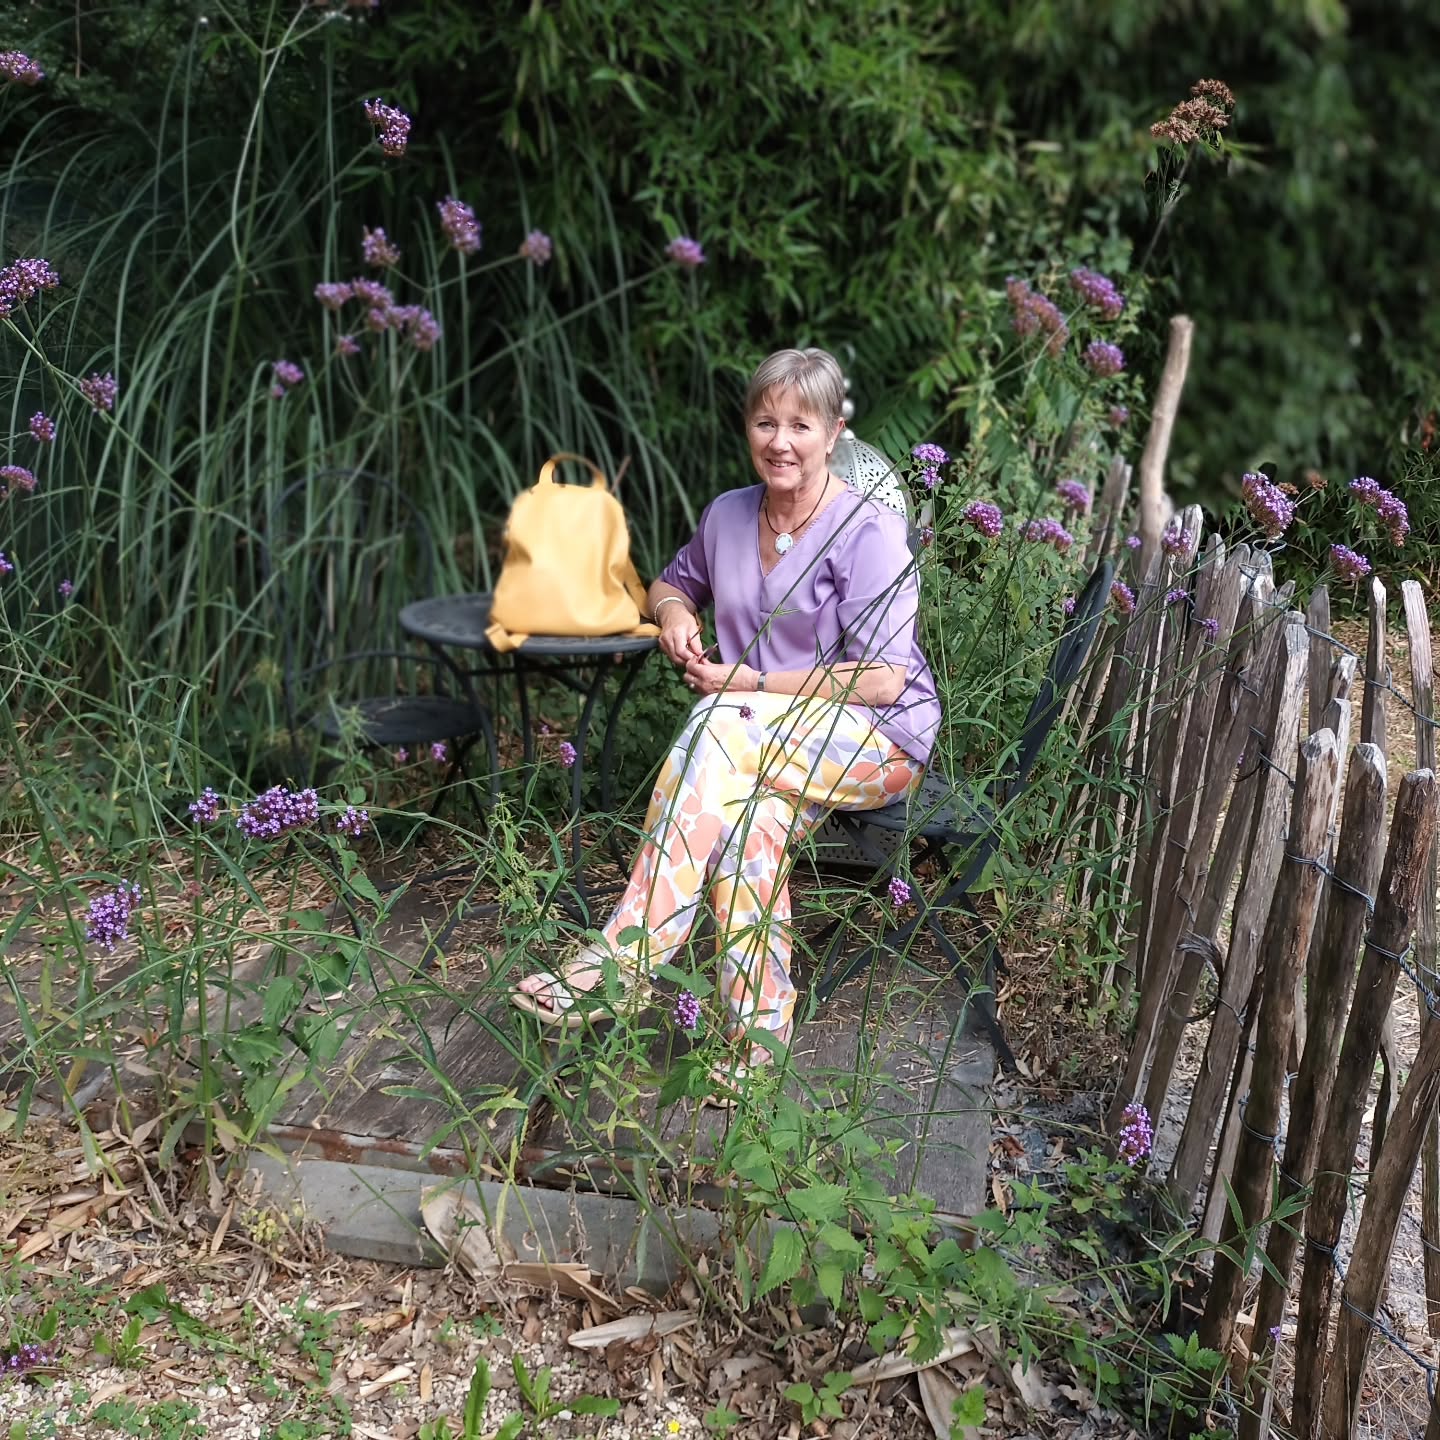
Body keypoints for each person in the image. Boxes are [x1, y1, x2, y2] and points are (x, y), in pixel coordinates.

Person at [511, 347, 941, 1096]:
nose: (781, 440)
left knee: (719, 719)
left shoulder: (871, 533)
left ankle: (627, 960)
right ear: (748, 426)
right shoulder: (729, 514)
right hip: (757, 744)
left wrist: (751, 680)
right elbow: (670, 584)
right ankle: (756, 1046)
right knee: (748, 829)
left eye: (801, 424)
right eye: (766, 421)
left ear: (835, 431)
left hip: (875, 740)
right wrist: (675, 617)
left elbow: (880, 679)